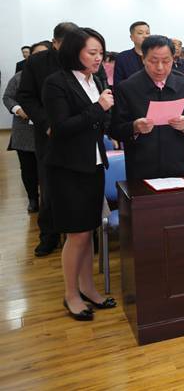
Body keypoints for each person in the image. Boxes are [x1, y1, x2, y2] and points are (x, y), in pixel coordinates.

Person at [42, 26, 116, 320]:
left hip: (93, 164)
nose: (99, 58)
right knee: (77, 235)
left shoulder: (95, 80)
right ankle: (71, 294)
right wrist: (99, 108)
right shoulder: (56, 83)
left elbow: (98, 122)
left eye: (101, 53)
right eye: (92, 53)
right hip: (67, 167)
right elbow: (61, 128)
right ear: (75, 52)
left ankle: (88, 288)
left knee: (89, 231)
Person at [17, 22, 78, 257]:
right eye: (66, 44)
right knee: (50, 187)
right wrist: (46, 123)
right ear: (55, 42)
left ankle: (82, 233)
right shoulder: (36, 62)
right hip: (49, 134)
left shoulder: (81, 57)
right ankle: (49, 236)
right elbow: (26, 96)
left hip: (79, 132)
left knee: (79, 185)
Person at [111, 36, 184, 179]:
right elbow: (114, 129)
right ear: (143, 59)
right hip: (140, 168)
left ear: (173, 59)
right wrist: (134, 127)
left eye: (166, 61)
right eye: (153, 61)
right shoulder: (127, 88)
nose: (160, 67)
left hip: (178, 165)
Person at [3, 41, 50, 213]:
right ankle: (32, 198)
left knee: (46, 168)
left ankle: (48, 200)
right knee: (28, 168)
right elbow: (8, 97)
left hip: (48, 131)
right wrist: (17, 109)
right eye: (36, 54)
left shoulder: (58, 77)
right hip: (24, 131)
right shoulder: (19, 77)